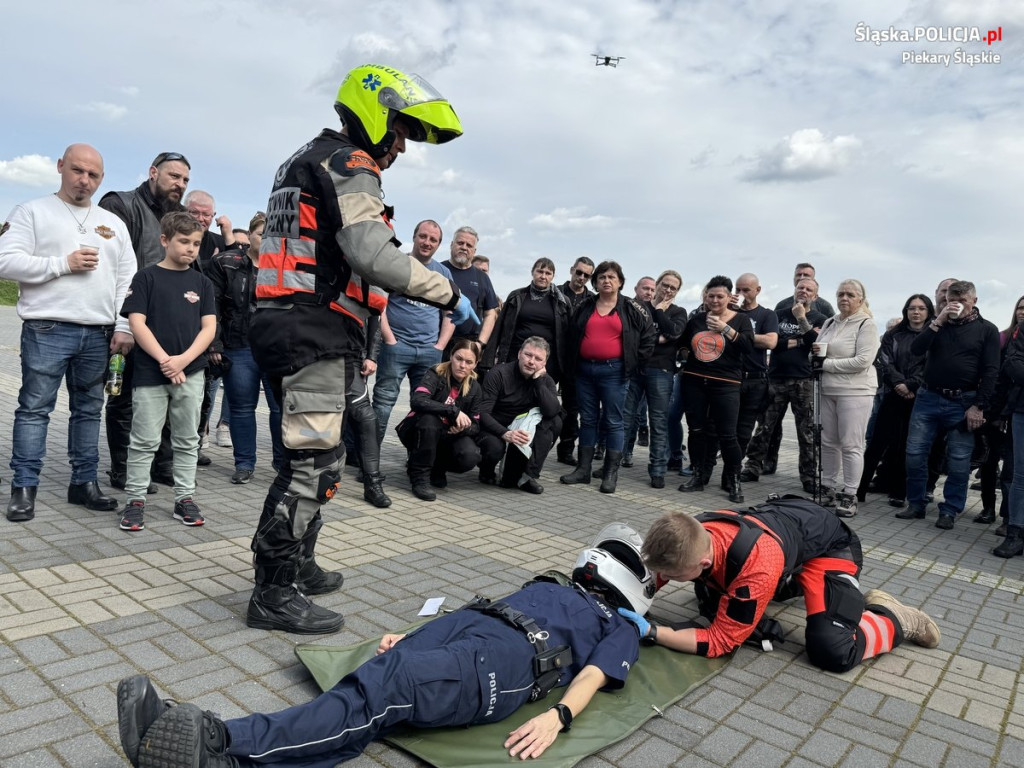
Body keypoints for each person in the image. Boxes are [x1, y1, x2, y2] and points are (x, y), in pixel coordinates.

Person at [245, 64, 475, 634]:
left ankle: (298, 563)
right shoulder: (349, 162)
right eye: (398, 130)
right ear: (374, 114)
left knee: (314, 455)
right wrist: (448, 292)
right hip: (313, 330)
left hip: (291, 324)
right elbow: (373, 254)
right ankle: (273, 591)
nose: (400, 146)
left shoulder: (304, 157)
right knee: (313, 464)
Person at [115, 524, 649, 768]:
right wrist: (415, 636)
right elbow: (480, 609)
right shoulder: (553, 584)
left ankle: (220, 738)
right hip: (471, 634)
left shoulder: (621, 624)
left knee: (382, 690)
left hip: (504, 664)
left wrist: (559, 716)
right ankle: (228, 763)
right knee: (377, 704)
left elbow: (594, 676)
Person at [623, 504, 940, 672]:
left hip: (829, 549)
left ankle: (894, 615)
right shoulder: (692, 534)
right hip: (784, 543)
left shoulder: (754, 568)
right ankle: (795, 585)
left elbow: (720, 642)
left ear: (703, 564)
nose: (661, 579)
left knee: (832, 649)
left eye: (671, 575)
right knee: (711, 601)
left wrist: (652, 632)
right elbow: (657, 571)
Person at [0, 143, 136, 522]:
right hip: (47, 327)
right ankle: (24, 487)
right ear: (61, 166)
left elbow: (128, 278)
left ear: (102, 178)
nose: (84, 180)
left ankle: (83, 483)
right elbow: (4, 261)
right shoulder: (32, 211)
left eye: (93, 175)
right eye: (77, 170)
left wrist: (124, 325)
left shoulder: (114, 223)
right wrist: (63, 263)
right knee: (34, 410)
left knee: (89, 411)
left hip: (98, 332)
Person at [116, 213, 217, 532]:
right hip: (150, 372)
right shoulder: (146, 278)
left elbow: (209, 328)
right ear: (165, 240)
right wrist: (164, 360)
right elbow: (137, 323)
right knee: (144, 439)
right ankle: (134, 500)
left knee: (187, 439)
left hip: (191, 373)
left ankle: (184, 497)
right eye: (183, 241)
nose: (190, 249)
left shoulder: (203, 282)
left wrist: (183, 360)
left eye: (196, 244)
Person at [100, 151, 192, 493]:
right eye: (173, 176)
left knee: (166, 396)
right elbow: (111, 266)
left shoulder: (178, 217)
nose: (179, 184)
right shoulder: (121, 205)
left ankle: (160, 466)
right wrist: (122, 322)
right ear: (153, 172)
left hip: (167, 326)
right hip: (126, 321)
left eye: (184, 180)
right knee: (123, 399)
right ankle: (123, 470)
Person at [898, 280, 1000, 529]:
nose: (956, 305)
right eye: (951, 299)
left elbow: (991, 371)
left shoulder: (987, 329)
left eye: (963, 300)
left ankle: (950, 509)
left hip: (963, 401)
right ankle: (916, 503)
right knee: (914, 453)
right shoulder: (938, 324)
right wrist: (938, 320)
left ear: (974, 301)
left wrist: (979, 406)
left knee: (958, 460)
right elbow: (916, 350)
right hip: (928, 397)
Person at [560, 261, 655, 494]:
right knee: (588, 419)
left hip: (614, 372)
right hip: (584, 371)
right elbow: (571, 333)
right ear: (596, 282)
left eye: (612, 277)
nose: (606, 281)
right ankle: (583, 470)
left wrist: (634, 364)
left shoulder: (632, 307)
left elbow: (648, 335)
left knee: (614, 421)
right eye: (602, 277)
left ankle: (611, 472)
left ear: (620, 281)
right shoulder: (584, 306)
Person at [207, 213, 283, 485]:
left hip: (276, 349)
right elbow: (212, 305)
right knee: (240, 407)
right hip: (238, 345)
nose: (267, 240)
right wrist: (214, 342)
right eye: (263, 233)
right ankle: (244, 463)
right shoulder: (226, 263)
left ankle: (282, 462)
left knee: (281, 408)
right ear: (250, 234)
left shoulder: (286, 268)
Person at [371, 220, 454, 443]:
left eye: (433, 240)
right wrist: (390, 339)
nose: (427, 242)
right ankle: (369, 460)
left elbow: (450, 313)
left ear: (439, 244)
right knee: (383, 402)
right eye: (423, 236)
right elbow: (381, 304)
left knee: (423, 406)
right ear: (415, 236)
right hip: (397, 347)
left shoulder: (443, 272)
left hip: (430, 351)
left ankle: (415, 459)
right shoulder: (398, 264)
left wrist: (440, 346)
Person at [741, 277, 824, 494]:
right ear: (794, 290)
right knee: (765, 427)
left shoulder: (821, 318)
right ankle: (753, 467)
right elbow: (774, 344)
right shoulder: (778, 315)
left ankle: (808, 476)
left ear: (815, 296)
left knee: (806, 432)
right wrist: (797, 340)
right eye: (800, 287)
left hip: (803, 381)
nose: (803, 291)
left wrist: (801, 320)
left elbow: (814, 342)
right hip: (776, 378)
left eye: (808, 289)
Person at [676, 275, 754, 503]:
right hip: (695, 381)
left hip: (726, 384)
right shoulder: (697, 319)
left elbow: (748, 347)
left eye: (720, 296)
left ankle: (734, 480)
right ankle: (698, 476)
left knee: (728, 435)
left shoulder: (741, 320)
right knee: (696, 430)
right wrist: (685, 355)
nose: (715, 300)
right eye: (711, 296)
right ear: (705, 297)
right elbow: (682, 343)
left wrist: (726, 329)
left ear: (729, 297)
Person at [809, 279, 879, 517]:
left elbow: (863, 361)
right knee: (829, 442)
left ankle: (850, 494)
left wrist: (826, 364)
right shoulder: (829, 321)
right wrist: (816, 357)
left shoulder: (866, 324)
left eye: (850, 294)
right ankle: (827, 487)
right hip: (827, 389)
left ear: (861, 299)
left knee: (851, 445)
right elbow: (819, 350)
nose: (844, 298)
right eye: (840, 294)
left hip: (855, 391)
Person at [856, 295, 933, 508]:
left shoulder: (934, 336)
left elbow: (930, 366)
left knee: (905, 446)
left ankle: (899, 491)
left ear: (929, 311)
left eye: (921, 308)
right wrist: (899, 383)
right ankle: (859, 489)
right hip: (893, 393)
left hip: (919, 398)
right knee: (876, 443)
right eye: (911, 308)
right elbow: (883, 360)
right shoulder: (894, 334)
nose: (916, 312)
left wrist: (912, 385)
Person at [397, 339, 495, 500]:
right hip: (417, 431)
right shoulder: (435, 373)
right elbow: (418, 400)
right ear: (451, 356)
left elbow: (476, 426)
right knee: (429, 421)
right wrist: (453, 411)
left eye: (468, 362)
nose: (462, 365)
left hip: (448, 436)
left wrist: (464, 428)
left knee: (470, 456)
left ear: (475, 364)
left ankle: (437, 467)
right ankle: (419, 477)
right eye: (459, 359)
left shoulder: (475, 388)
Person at [620, 270, 686, 487]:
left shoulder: (678, 312)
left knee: (658, 422)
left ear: (677, 291)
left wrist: (659, 311)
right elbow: (632, 338)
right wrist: (657, 338)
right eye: (664, 285)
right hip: (636, 370)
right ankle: (614, 462)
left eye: (673, 288)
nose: (667, 290)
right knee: (626, 418)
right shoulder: (639, 308)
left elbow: (673, 333)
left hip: (662, 372)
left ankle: (657, 469)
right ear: (657, 285)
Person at [478, 337, 563, 494]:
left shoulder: (545, 380)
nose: (531, 361)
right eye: (528, 355)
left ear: (544, 364)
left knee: (555, 421)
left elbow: (552, 411)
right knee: (494, 448)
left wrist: (538, 382)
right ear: (519, 354)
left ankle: (527, 475)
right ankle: (486, 469)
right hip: (496, 427)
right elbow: (482, 413)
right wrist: (505, 433)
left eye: (538, 359)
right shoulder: (498, 373)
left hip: (522, 431)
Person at [481, 257, 572, 382]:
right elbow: (499, 328)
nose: (543, 276)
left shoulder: (562, 302)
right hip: (515, 356)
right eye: (540, 271)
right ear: (532, 272)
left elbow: (568, 335)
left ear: (553, 276)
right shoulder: (516, 296)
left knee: (540, 397)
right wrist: (487, 361)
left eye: (548, 273)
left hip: (547, 361)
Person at [555, 256, 595, 465]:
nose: (581, 277)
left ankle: (566, 450)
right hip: (554, 356)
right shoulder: (556, 293)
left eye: (586, 275)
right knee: (543, 403)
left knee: (572, 410)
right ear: (571, 270)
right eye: (578, 272)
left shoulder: (592, 300)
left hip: (577, 362)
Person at [993, 319, 1024, 557]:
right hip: (1022, 409)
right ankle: (1014, 533)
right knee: (1019, 475)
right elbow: (1013, 362)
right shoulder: (1022, 329)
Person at [442, 226, 499, 351]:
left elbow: (490, 313)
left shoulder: (482, 277)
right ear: (451, 244)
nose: (464, 247)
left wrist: (480, 344)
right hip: (438, 342)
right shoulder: (439, 270)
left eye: (469, 245)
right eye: (460, 243)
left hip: (468, 345)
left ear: (474, 250)